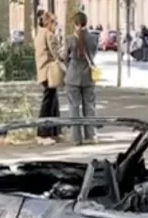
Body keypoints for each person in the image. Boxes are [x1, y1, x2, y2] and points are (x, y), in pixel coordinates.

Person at [64, 11, 98, 145]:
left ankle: (76, 137)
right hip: (88, 75)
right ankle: (91, 135)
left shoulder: (69, 39)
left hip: (73, 76)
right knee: (89, 105)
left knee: (74, 106)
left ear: (74, 23)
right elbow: (94, 54)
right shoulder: (94, 38)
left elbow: (65, 58)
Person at [34, 11, 62, 145]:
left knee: (53, 101)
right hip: (49, 71)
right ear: (48, 23)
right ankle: (43, 133)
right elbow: (56, 52)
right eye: (54, 23)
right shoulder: (48, 34)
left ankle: (54, 131)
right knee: (48, 103)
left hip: (42, 71)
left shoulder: (39, 34)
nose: (55, 26)